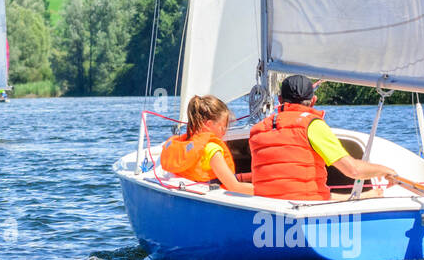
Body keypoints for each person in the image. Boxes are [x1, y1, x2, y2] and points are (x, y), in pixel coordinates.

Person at [248, 75, 397, 201]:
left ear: (280, 99)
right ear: (313, 100)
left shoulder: (257, 130)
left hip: (267, 206)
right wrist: (385, 171)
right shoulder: (312, 125)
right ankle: (364, 196)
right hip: (305, 207)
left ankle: (363, 196)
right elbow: (353, 170)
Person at [160, 95, 253, 194]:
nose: (224, 132)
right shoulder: (213, 150)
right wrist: (266, 192)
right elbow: (235, 187)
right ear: (209, 124)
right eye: (223, 127)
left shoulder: (185, 144)